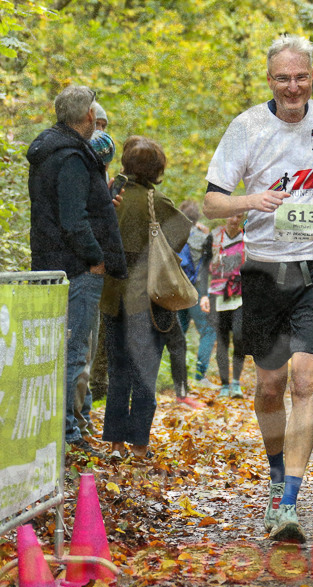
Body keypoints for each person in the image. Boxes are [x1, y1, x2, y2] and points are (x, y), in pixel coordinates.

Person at [203, 34, 313, 543]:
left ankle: (289, 500)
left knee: (305, 380)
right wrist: (249, 200)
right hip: (263, 272)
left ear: (312, 77)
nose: (293, 87)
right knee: (269, 387)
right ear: (270, 80)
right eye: (283, 78)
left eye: (301, 77)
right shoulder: (247, 128)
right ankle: (277, 473)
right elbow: (212, 203)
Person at [27, 84, 127, 455]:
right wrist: (96, 258)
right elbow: (72, 219)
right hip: (75, 269)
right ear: (88, 116)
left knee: (69, 351)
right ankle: (66, 435)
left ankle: (72, 427)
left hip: (58, 264)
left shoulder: (56, 151)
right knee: (72, 352)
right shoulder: (69, 156)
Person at [101, 136, 192, 459]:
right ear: (156, 169)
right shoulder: (156, 201)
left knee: (119, 372)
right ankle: (139, 445)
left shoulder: (113, 196)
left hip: (113, 296)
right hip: (149, 301)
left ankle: (115, 444)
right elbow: (183, 229)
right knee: (144, 373)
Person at [72, 129, 119, 435]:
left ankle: (82, 417)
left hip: (89, 273)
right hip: (84, 273)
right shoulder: (78, 181)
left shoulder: (92, 181)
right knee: (79, 353)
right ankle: (75, 422)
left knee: (84, 352)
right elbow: (80, 223)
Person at [202, 214, 246, 398]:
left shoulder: (248, 238)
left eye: (239, 216)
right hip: (218, 295)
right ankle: (225, 385)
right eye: (231, 215)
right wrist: (203, 294)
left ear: (243, 217)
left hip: (240, 296)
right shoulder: (213, 237)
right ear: (225, 216)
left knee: (239, 336)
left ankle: (236, 382)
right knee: (221, 341)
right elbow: (203, 267)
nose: (234, 219)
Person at [175, 199, 217, 390]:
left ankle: (179, 378)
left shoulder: (175, 236)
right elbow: (213, 263)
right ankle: (200, 376)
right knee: (208, 330)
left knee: (179, 332)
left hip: (177, 291)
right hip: (198, 291)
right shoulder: (202, 237)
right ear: (197, 217)